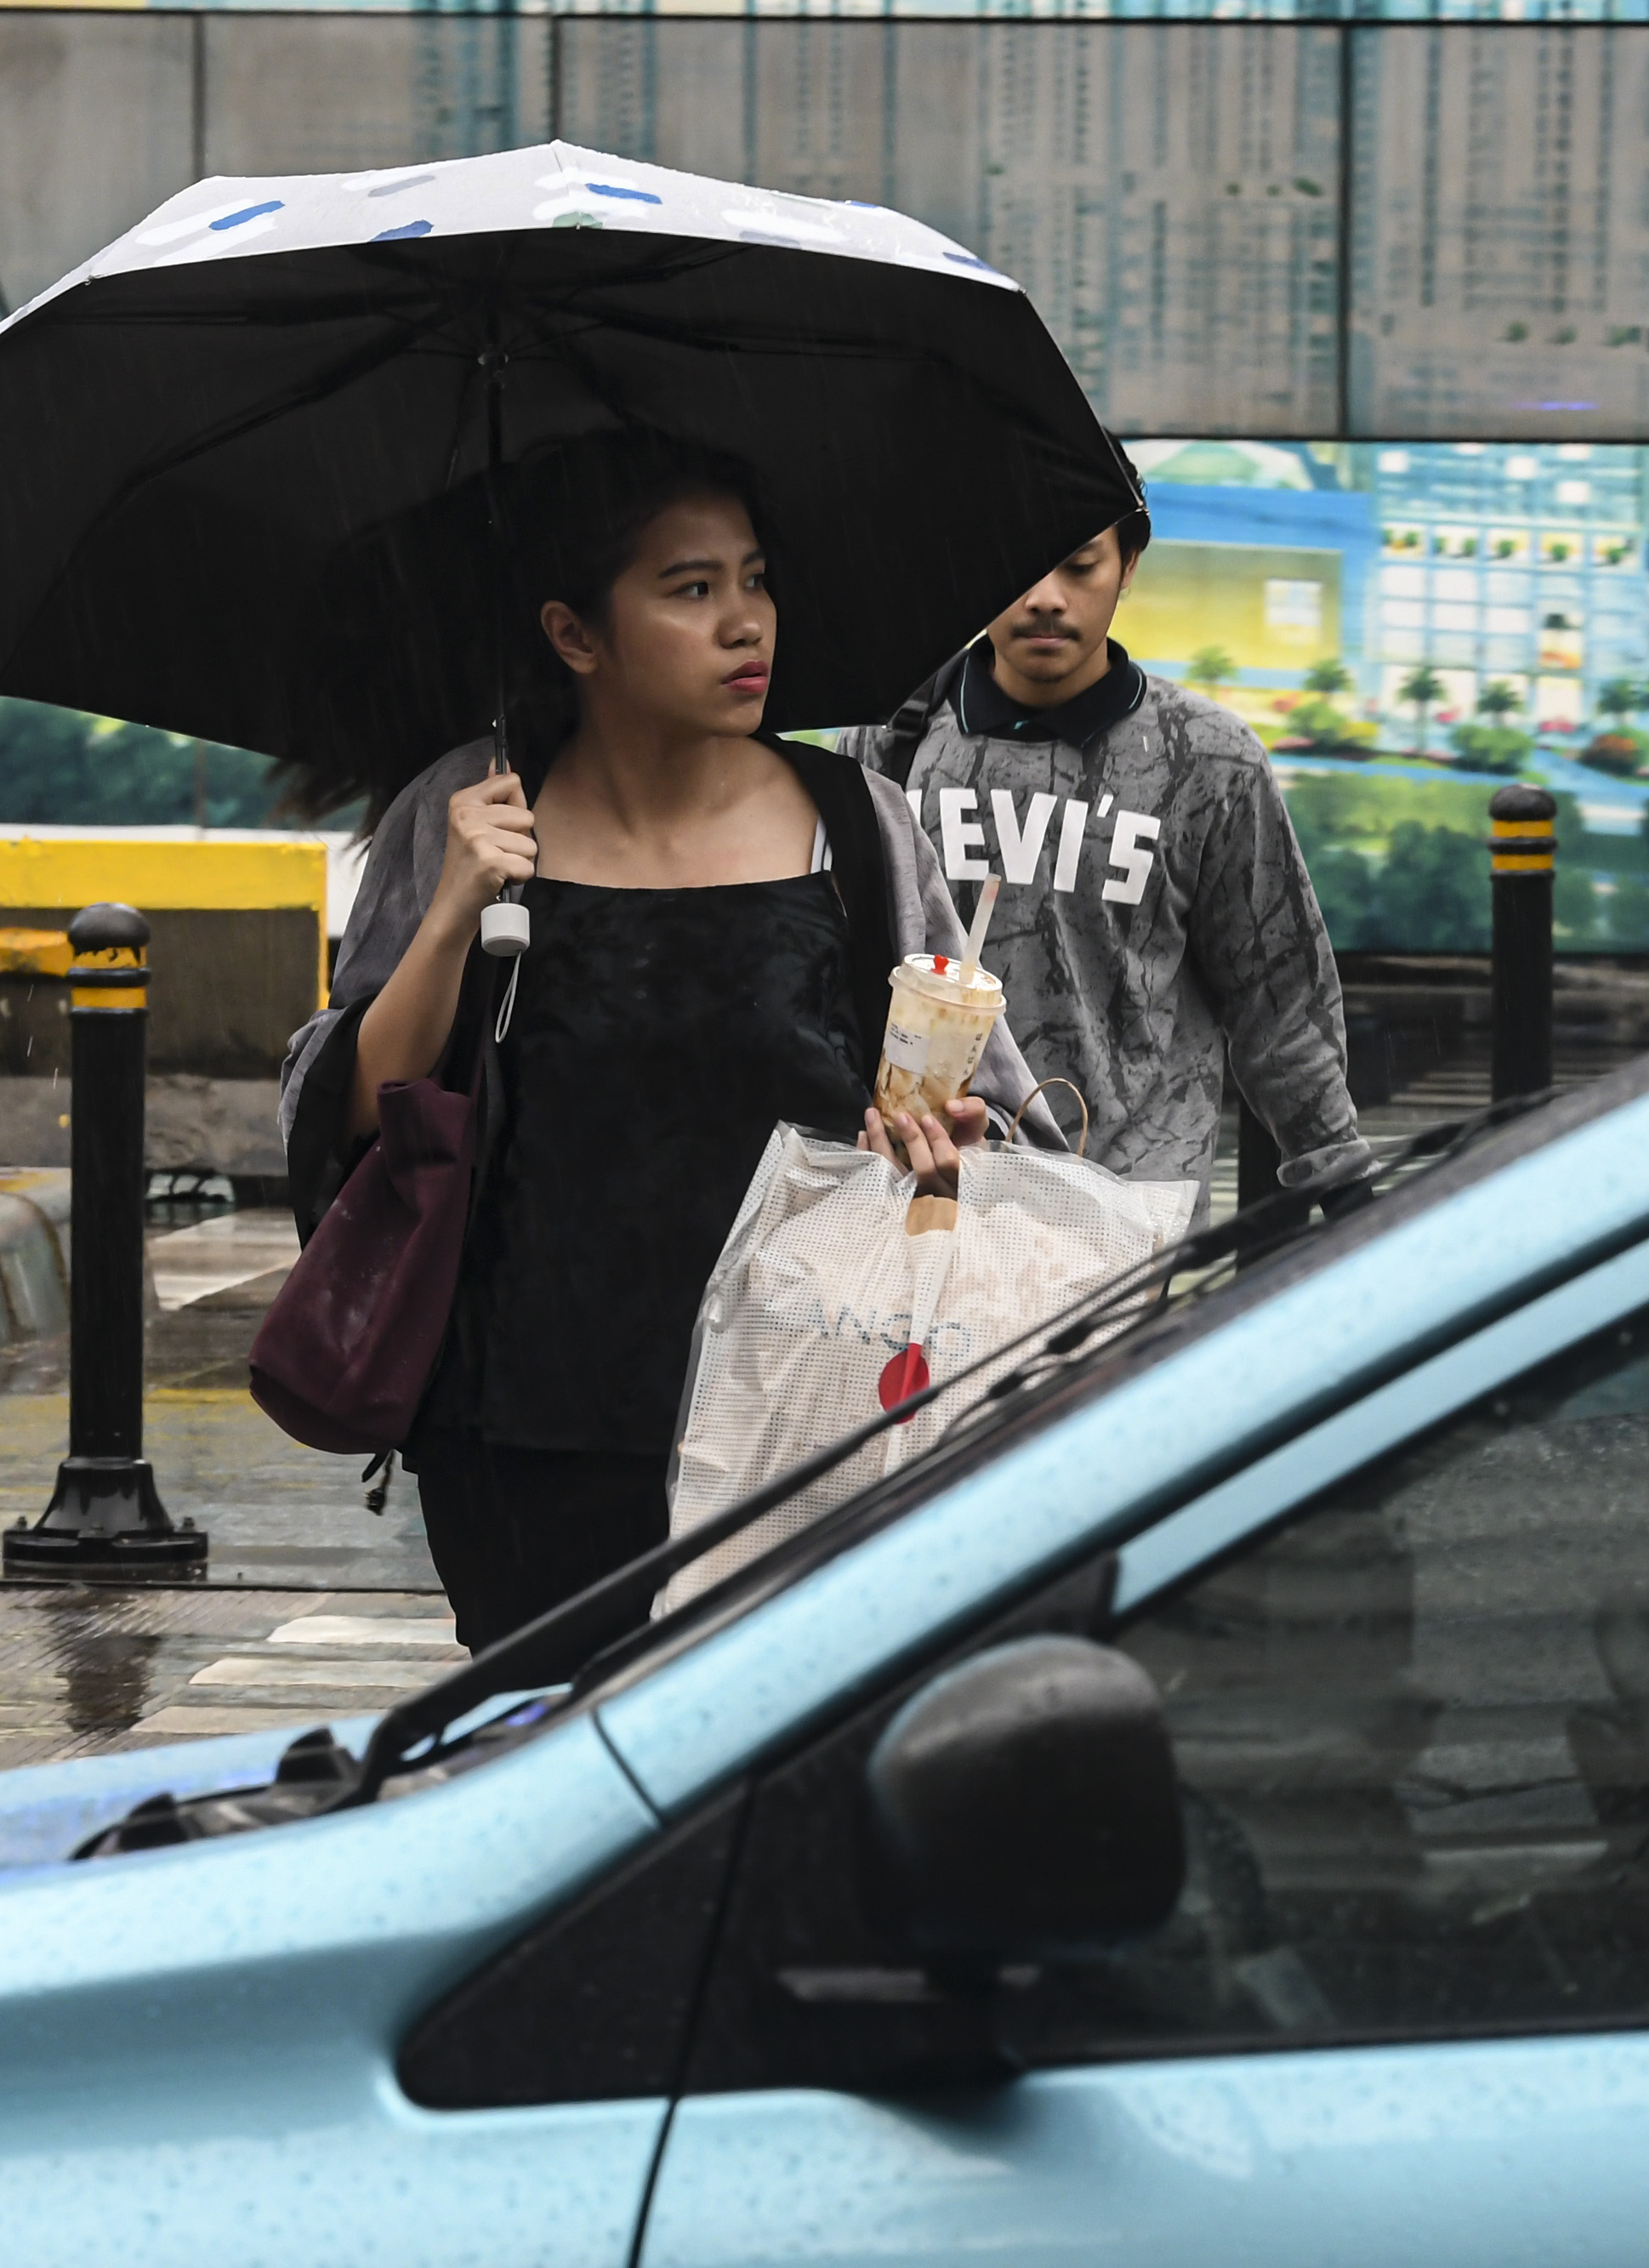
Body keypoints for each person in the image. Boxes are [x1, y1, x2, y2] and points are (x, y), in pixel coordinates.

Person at [280, 438, 1055, 1651]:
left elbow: (994, 1110)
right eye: (692, 591)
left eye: (755, 581)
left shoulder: (855, 823)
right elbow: (358, 1112)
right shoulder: (474, 812)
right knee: (555, 1771)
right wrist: (451, 909)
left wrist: (947, 1146)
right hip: (527, 1439)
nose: (746, 624)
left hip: (806, 1416)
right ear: (574, 633)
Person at [850, 486, 1370, 1214]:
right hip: (926, 1189)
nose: (1045, 598)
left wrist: (1344, 1187)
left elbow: (1278, 1007)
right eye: (1017, 566)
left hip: (1124, 1212)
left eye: (1079, 567)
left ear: (1128, 563)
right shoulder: (885, 748)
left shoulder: (1208, 762)